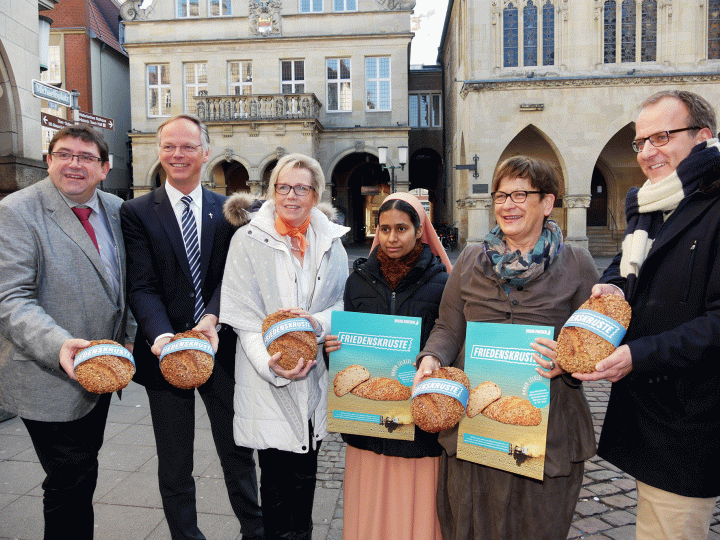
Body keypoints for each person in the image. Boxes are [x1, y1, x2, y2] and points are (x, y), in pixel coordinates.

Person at [414, 156, 599, 540]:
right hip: (476, 425)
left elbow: (593, 345)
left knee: (537, 526)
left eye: (520, 194)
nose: (507, 205)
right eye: (500, 195)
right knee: (470, 525)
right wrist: (432, 358)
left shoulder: (577, 264)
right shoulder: (469, 259)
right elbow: (449, 326)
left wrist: (566, 362)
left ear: (547, 202)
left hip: (547, 429)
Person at [576, 90, 720, 539]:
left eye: (661, 137)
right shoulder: (651, 207)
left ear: (702, 136)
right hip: (647, 413)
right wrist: (611, 287)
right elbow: (627, 273)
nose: (648, 153)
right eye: (641, 142)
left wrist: (640, 355)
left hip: (692, 417)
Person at [120, 114, 262, 540]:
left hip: (221, 350)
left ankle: (254, 533)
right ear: (159, 152)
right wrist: (162, 338)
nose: (177, 155)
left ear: (205, 152)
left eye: (187, 147)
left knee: (238, 455)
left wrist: (212, 317)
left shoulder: (231, 211)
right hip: (165, 355)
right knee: (175, 462)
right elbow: (142, 284)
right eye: (169, 147)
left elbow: (234, 278)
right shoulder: (137, 212)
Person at [0, 124, 134, 539]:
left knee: (82, 470)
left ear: (105, 168)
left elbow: (128, 281)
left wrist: (128, 333)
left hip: (101, 373)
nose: (75, 164)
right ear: (49, 160)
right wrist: (59, 346)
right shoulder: (17, 211)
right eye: (65, 154)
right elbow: (11, 299)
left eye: (86, 157)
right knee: (69, 480)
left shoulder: (116, 209)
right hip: (49, 375)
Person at [219, 153, 349, 540]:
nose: (291, 196)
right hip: (267, 382)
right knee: (275, 486)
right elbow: (242, 315)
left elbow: (342, 303)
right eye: (283, 187)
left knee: (306, 480)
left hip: (313, 379)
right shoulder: (248, 239)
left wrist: (317, 323)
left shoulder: (330, 242)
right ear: (272, 191)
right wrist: (269, 364)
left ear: (316, 194)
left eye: (301, 188)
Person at [323, 192, 451, 540]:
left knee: (416, 514)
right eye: (385, 228)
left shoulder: (443, 284)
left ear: (419, 231)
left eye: (402, 228)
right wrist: (334, 351)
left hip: (418, 426)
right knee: (371, 514)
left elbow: (450, 342)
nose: (393, 238)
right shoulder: (358, 282)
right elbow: (348, 352)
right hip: (368, 424)